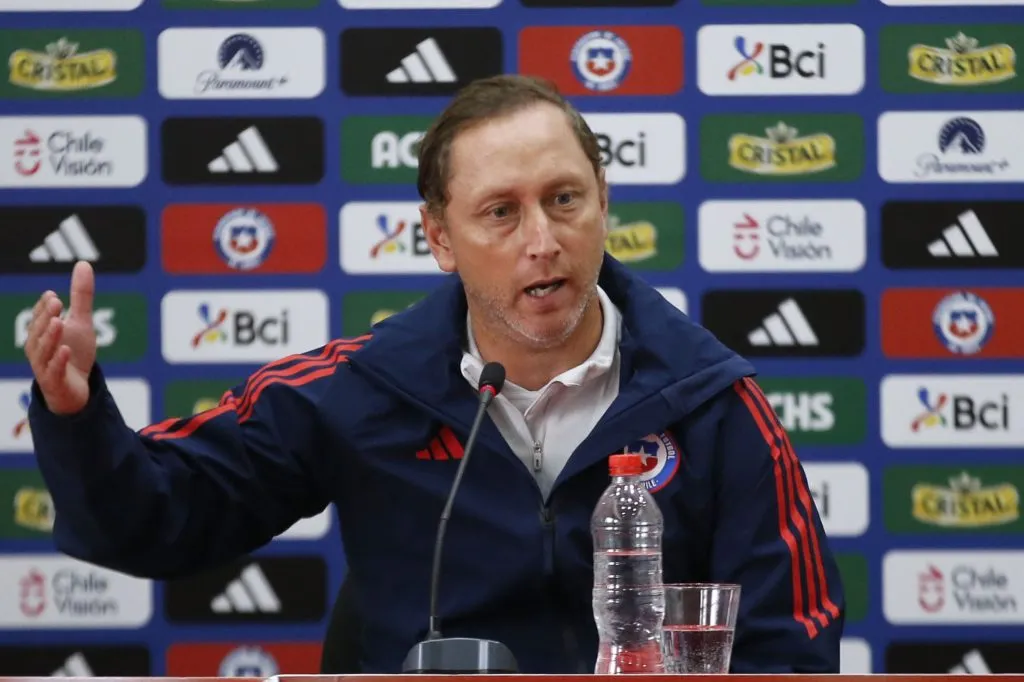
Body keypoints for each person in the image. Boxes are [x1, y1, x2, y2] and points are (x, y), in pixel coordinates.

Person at [25, 74, 844, 674]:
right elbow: (153, 518)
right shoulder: (364, 388)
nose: (542, 240)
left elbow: (794, 648)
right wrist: (74, 415)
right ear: (440, 239)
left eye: (565, 200)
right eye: (500, 211)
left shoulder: (714, 403)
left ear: (605, 202)